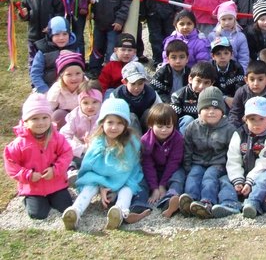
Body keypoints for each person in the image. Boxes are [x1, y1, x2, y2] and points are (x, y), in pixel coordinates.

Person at [62, 98, 148, 230]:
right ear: (102, 123)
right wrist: (102, 186)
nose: (114, 127)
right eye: (110, 122)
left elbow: (126, 168)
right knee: (89, 187)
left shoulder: (131, 142)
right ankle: (76, 211)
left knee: (127, 189)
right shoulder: (97, 141)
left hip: (126, 178)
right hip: (100, 179)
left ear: (126, 125)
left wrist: (112, 187)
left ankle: (120, 211)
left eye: (119, 123)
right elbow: (90, 166)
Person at [4, 93, 73, 220]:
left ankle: (54, 197)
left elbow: (67, 153)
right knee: (38, 214)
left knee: (67, 206)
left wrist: (56, 169)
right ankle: (27, 200)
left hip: (56, 183)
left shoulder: (57, 137)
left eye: (44, 118)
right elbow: (11, 164)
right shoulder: (19, 143)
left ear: (50, 118)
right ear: (26, 121)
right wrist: (27, 175)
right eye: (34, 119)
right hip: (33, 187)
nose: (40, 122)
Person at [179, 86, 240, 219]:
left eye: (215, 108)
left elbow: (234, 153)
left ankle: (207, 201)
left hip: (218, 163)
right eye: (206, 108)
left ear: (222, 111)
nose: (211, 112)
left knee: (209, 177)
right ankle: (190, 200)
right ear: (199, 111)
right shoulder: (192, 127)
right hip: (198, 161)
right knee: (193, 175)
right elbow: (187, 149)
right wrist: (187, 167)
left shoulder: (229, 129)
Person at [226, 96, 266, 218]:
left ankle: (252, 203)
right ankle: (228, 203)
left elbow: (264, 164)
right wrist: (238, 179)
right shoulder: (239, 134)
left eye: (261, 119)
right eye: (252, 119)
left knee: (264, 179)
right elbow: (233, 159)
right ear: (245, 120)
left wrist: (250, 181)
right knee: (224, 179)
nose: (257, 124)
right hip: (242, 174)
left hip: (263, 173)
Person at [132, 103, 185, 218]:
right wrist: (155, 188)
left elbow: (174, 162)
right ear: (151, 125)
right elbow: (147, 165)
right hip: (153, 171)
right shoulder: (145, 141)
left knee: (178, 178)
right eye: (160, 126)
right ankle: (138, 204)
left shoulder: (178, 139)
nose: (164, 130)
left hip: (171, 170)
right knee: (140, 180)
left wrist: (162, 185)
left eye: (168, 126)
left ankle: (169, 200)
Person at [88, 0, 133, 77]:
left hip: (113, 25)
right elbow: (92, 0)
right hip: (99, 22)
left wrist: (120, 20)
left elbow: (125, 5)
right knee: (96, 47)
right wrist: (90, 12)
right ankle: (94, 68)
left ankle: (109, 71)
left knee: (111, 49)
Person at [19, 0, 65, 67]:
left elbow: (60, 13)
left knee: (49, 58)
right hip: (33, 35)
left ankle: (49, 79)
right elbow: (24, 14)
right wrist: (23, 14)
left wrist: (52, 27)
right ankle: (34, 80)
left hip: (49, 35)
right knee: (33, 58)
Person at [30, 16, 79, 94]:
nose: (61, 38)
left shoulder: (74, 48)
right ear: (50, 35)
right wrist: (44, 89)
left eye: (65, 34)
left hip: (69, 89)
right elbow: (35, 73)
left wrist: (73, 57)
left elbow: (79, 70)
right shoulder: (43, 51)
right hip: (47, 88)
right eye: (57, 34)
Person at [228, 60, 266, 128]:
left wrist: (265, 123)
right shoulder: (241, 92)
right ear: (246, 80)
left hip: (265, 128)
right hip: (244, 127)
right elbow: (235, 114)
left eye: (260, 79)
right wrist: (233, 128)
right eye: (252, 79)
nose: (256, 84)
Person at [111, 61, 161, 133]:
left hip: (146, 125)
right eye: (133, 84)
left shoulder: (151, 94)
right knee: (131, 117)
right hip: (126, 129)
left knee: (150, 113)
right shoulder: (116, 95)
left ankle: (150, 141)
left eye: (140, 84)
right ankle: (136, 143)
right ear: (124, 82)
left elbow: (161, 111)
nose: (137, 88)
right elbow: (111, 116)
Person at [170, 61, 216, 134]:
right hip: (182, 130)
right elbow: (172, 118)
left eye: (206, 83)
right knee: (188, 119)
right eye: (198, 81)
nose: (201, 86)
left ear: (212, 84)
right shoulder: (179, 95)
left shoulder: (213, 96)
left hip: (204, 130)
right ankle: (183, 144)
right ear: (190, 79)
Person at [47, 50, 86, 130]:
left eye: (78, 73)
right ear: (61, 76)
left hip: (83, 117)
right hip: (64, 118)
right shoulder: (57, 89)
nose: (74, 78)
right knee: (57, 115)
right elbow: (48, 108)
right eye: (69, 74)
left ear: (83, 73)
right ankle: (59, 135)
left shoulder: (87, 86)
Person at [208, 0, 250, 72]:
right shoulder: (212, 36)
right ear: (219, 20)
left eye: (230, 19)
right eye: (223, 19)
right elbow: (209, 56)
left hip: (235, 71)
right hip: (216, 71)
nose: (227, 22)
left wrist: (242, 72)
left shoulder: (241, 36)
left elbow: (244, 58)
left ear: (235, 19)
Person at [209, 37, 245, 109]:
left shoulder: (237, 67)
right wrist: (224, 98)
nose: (222, 57)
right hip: (214, 100)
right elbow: (208, 89)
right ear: (213, 56)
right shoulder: (209, 68)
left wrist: (235, 100)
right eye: (218, 54)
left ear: (231, 55)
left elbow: (240, 87)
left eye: (226, 53)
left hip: (234, 99)